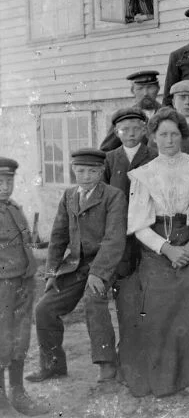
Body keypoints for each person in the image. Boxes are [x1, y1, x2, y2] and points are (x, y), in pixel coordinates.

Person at [119, 108, 189, 397]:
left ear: (182, 135)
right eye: (163, 134)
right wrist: (168, 249)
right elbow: (137, 225)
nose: (169, 139)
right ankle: (163, 380)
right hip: (157, 248)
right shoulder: (143, 174)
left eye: (174, 133)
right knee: (158, 308)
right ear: (153, 138)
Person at [27, 149, 125, 384]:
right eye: (81, 171)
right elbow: (58, 236)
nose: (86, 176)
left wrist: (98, 273)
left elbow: (114, 239)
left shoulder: (113, 196)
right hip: (74, 267)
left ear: (102, 172)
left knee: (94, 302)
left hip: (104, 264)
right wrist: (51, 272)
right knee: (44, 309)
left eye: (93, 171)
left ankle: (106, 366)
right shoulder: (69, 196)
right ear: (73, 170)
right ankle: (53, 365)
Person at [0, 158, 46, 416]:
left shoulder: (13, 208)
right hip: (2, 285)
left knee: (20, 336)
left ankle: (18, 392)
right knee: (1, 337)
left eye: (9, 181)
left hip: (23, 282)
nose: (5, 187)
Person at [102, 107, 157, 296]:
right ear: (116, 133)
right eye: (125, 129)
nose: (131, 133)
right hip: (121, 226)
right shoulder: (110, 159)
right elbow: (104, 194)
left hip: (148, 224)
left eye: (136, 128)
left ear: (144, 131)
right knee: (123, 270)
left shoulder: (154, 156)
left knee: (147, 270)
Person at [100, 70, 163, 152]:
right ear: (133, 91)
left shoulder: (167, 114)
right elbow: (106, 150)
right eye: (140, 88)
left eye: (150, 87)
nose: (145, 93)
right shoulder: (124, 117)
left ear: (158, 89)